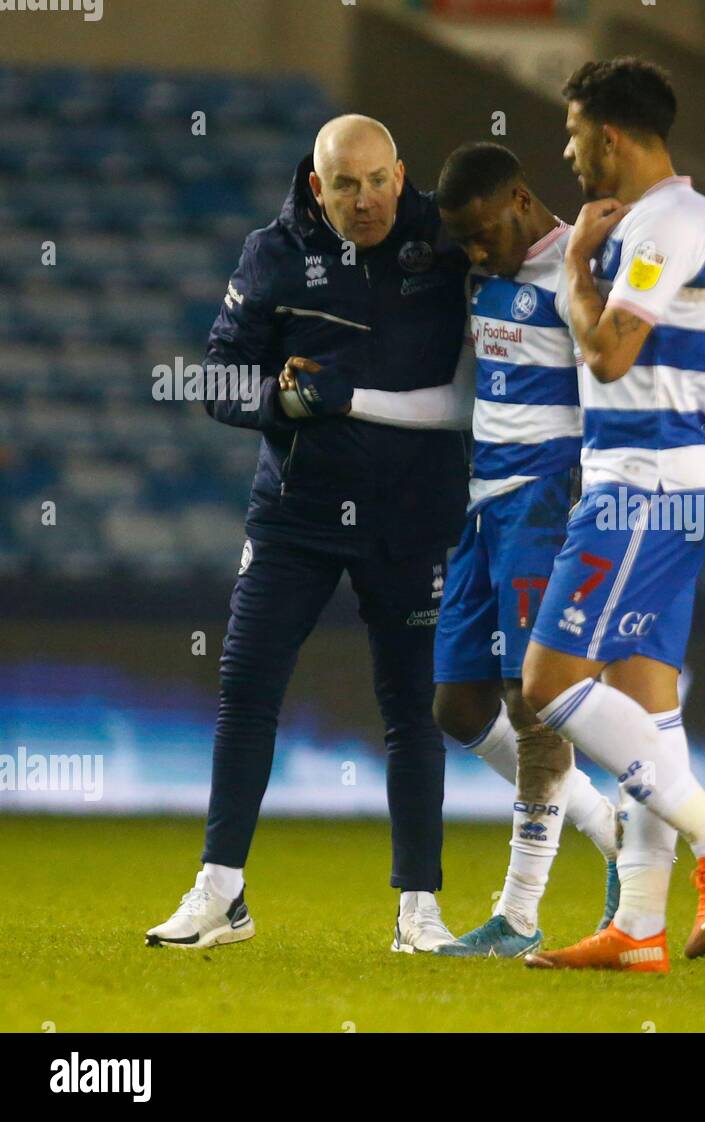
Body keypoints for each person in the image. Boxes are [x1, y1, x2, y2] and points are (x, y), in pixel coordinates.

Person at [145, 116, 471, 953]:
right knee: (246, 688)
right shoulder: (274, 253)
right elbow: (213, 374)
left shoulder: (448, 239)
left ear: (401, 174)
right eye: (345, 186)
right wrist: (279, 403)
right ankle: (222, 891)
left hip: (410, 517)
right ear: (316, 186)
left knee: (412, 711)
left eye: (378, 181)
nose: (366, 202)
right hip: (295, 517)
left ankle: (418, 911)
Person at [515, 57, 705, 973]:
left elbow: (613, 351)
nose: (567, 146)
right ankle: (638, 929)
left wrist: (579, 265)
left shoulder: (673, 219)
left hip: (646, 490)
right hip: (654, 485)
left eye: (574, 130)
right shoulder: (666, 220)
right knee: (645, 711)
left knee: (548, 686)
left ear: (611, 136)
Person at [340, 141, 623, 957]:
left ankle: (521, 914)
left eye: (481, 233)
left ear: (521, 200)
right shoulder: (484, 277)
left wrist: (590, 499)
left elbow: (615, 388)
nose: (473, 251)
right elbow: (468, 391)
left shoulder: (579, 272)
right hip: (482, 506)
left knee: (531, 702)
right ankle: (609, 826)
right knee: (456, 707)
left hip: (544, 503)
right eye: (460, 240)